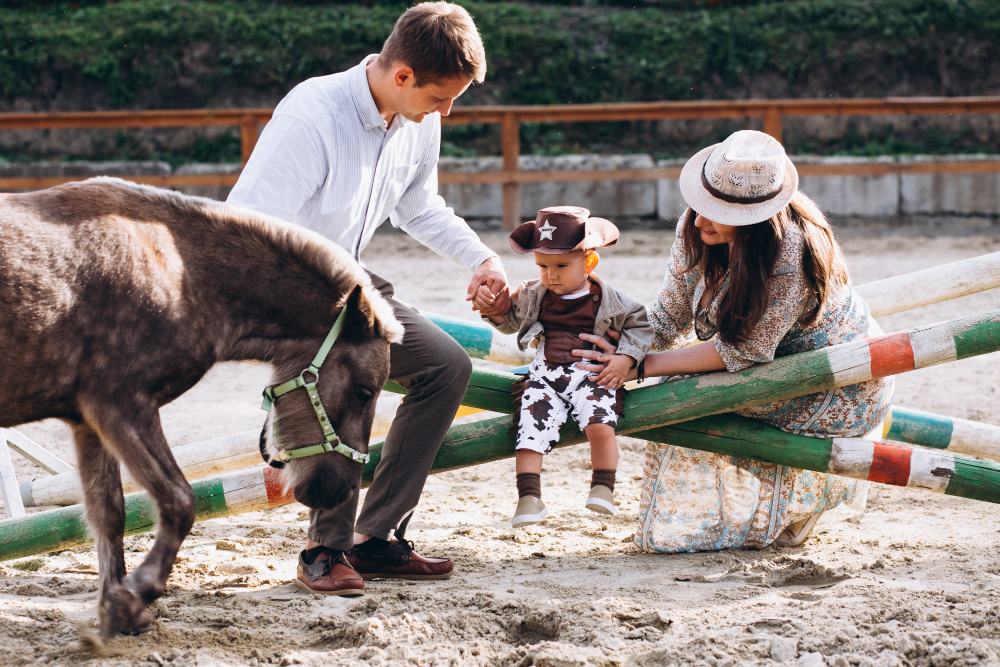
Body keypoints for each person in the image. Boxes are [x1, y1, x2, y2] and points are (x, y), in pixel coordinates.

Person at [227, 2, 511, 594]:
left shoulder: (417, 119)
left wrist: (481, 258)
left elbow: (418, 206)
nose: (447, 112)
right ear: (402, 75)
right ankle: (322, 553)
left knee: (445, 366)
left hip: (349, 283)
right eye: (441, 98)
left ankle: (375, 537)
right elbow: (247, 225)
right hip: (280, 288)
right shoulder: (312, 113)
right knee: (357, 364)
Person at [573, 130, 894, 552]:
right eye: (700, 202)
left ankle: (790, 508)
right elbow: (669, 316)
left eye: (717, 211)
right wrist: (623, 345)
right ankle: (776, 513)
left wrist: (642, 366)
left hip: (838, 382)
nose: (699, 218)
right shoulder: (697, 228)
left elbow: (742, 352)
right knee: (670, 390)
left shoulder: (790, 252)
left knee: (673, 396)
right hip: (777, 366)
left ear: (757, 218)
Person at [475, 206, 654, 528]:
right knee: (528, 429)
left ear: (589, 262)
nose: (550, 275)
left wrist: (626, 358)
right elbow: (509, 322)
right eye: (542, 266)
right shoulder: (533, 293)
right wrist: (493, 309)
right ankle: (529, 497)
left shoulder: (612, 301)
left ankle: (603, 486)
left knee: (600, 421)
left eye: (560, 265)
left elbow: (641, 327)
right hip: (545, 377)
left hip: (591, 373)